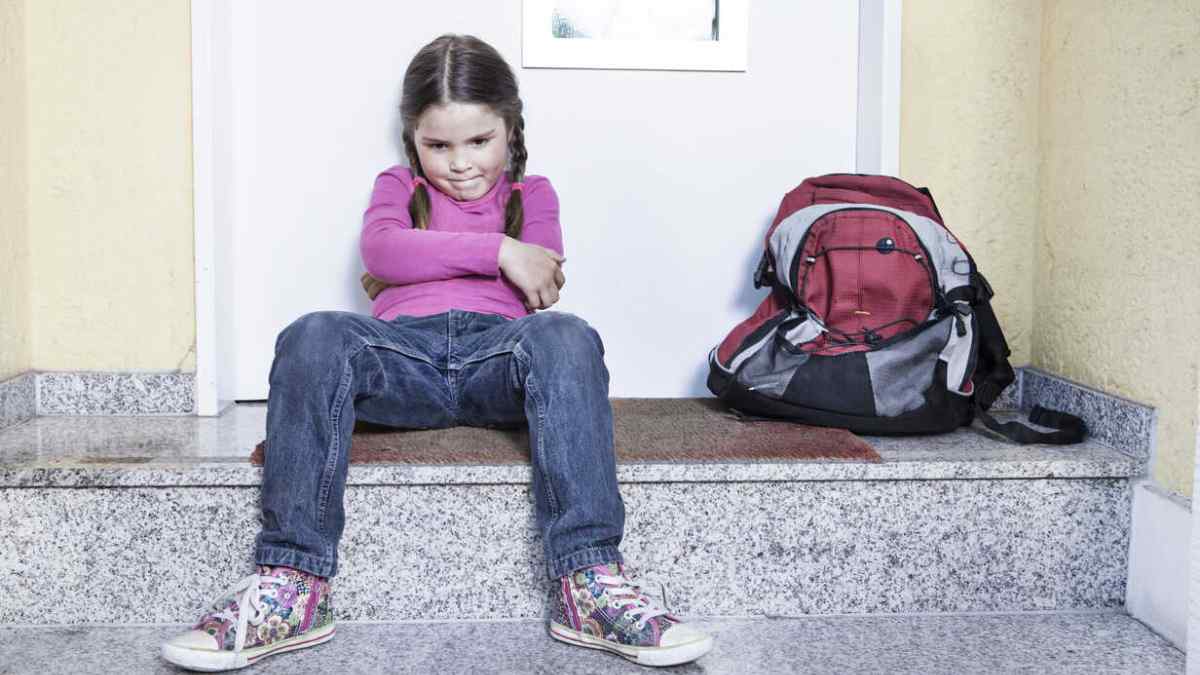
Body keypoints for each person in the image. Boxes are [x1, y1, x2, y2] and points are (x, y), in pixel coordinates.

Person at [161, 33, 713, 671]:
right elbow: (383, 251)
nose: (459, 163)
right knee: (313, 333)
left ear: (511, 129)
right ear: (411, 142)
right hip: (403, 362)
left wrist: (455, 257)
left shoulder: (532, 196)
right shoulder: (397, 185)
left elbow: (546, 280)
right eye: (437, 145)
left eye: (479, 141)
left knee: (568, 335)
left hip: (499, 359)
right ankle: (293, 584)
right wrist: (500, 252)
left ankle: (587, 582)